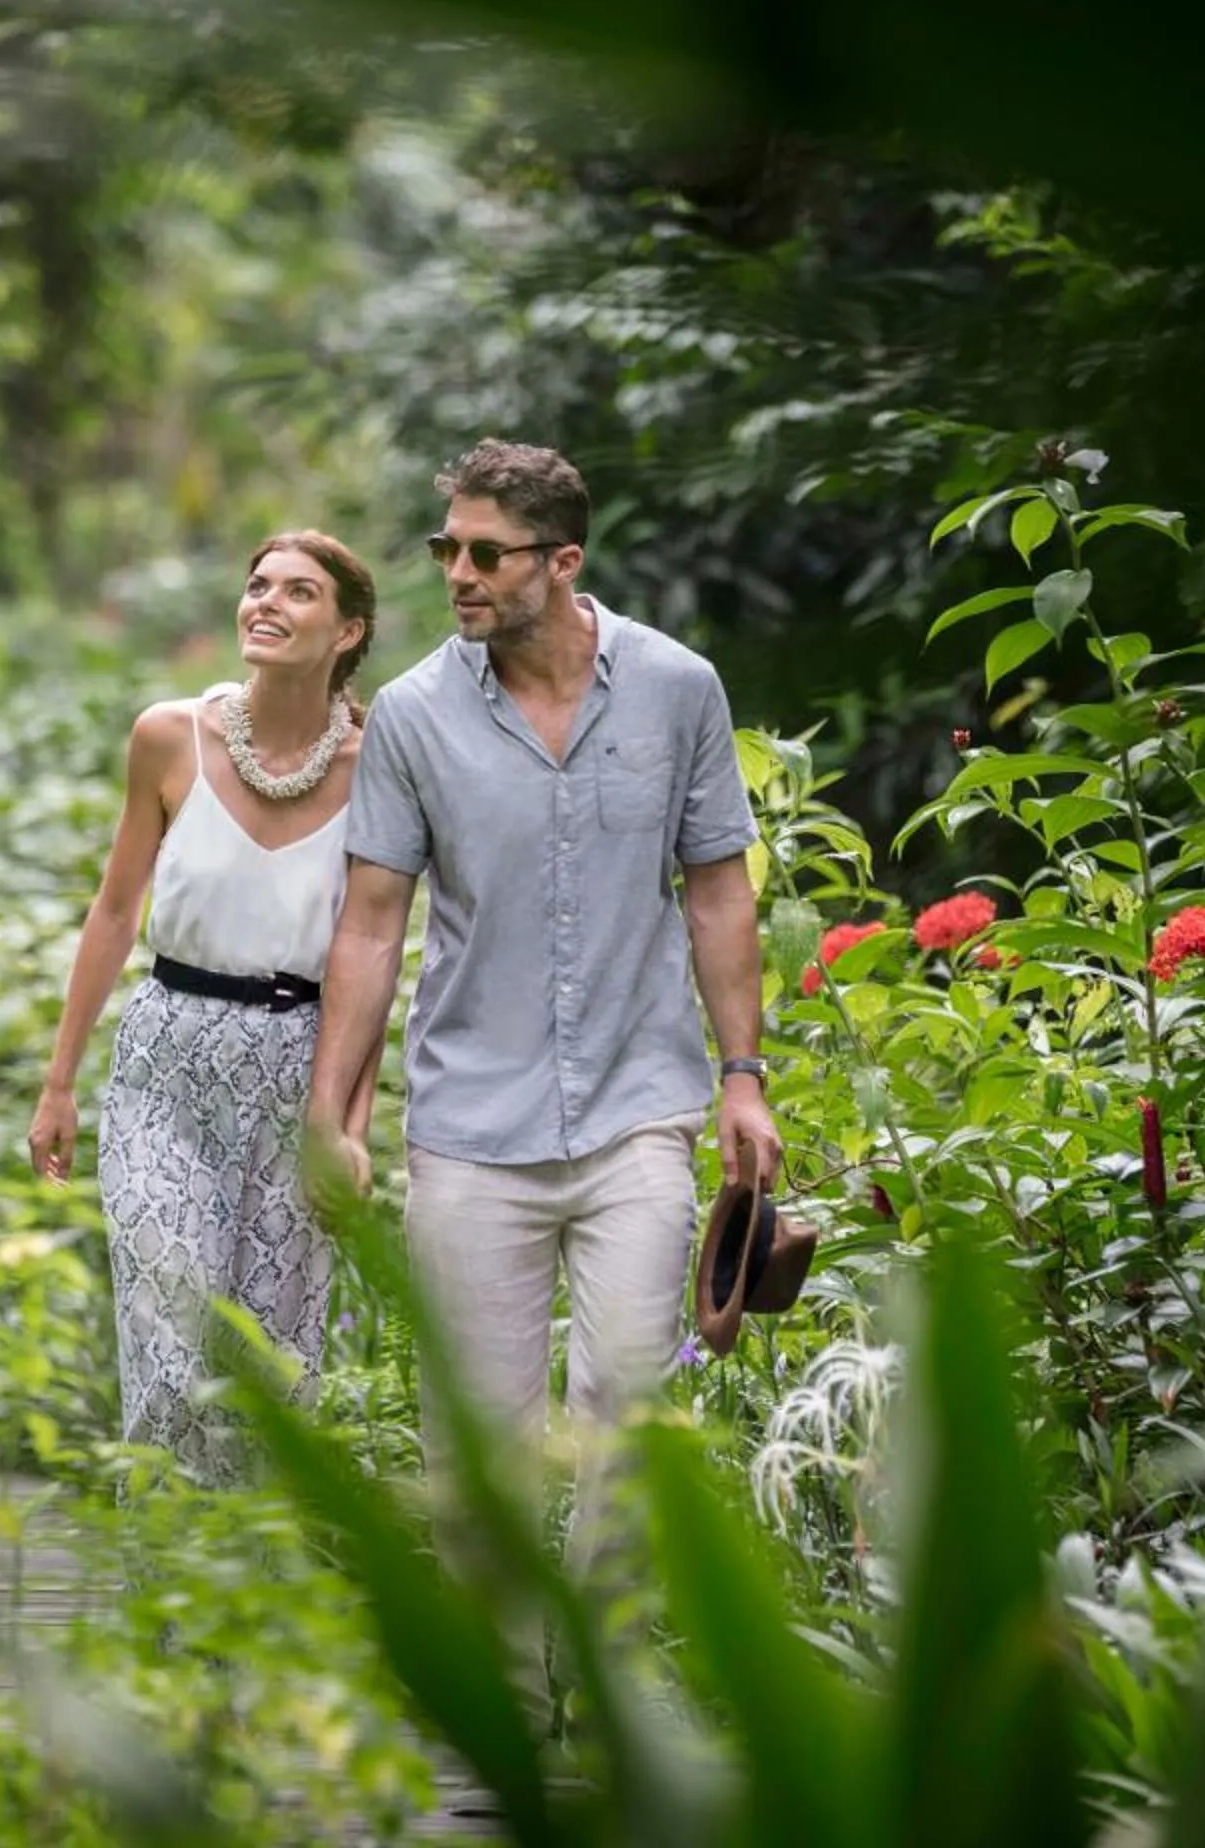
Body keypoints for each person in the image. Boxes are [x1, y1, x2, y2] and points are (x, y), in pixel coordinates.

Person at [305, 438, 781, 1701]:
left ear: (562, 563)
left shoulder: (679, 690)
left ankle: (604, 1685)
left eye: (485, 552)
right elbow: (369, 922)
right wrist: (333, 1112)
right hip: (470, 1126)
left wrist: (744, 1075)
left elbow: (719, 889)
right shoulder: (410, 713)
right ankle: (511, 1700)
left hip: (640, 1112)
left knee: (628, 1409)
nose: (457, 572)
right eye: (445, 548)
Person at [28, 531, 380, 1481]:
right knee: (172, 1344)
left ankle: (251, 1605)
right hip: (165, 1062)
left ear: (347, 629)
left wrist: (349, 1126)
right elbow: (112, 911)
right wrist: (59, 1084)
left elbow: (367, 956)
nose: (265, 603)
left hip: (298, 1068)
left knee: (270, 1375)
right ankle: (164, 1599)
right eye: (257, 585)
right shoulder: (167, 736)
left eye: (298, 593)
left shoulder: (379, 764)